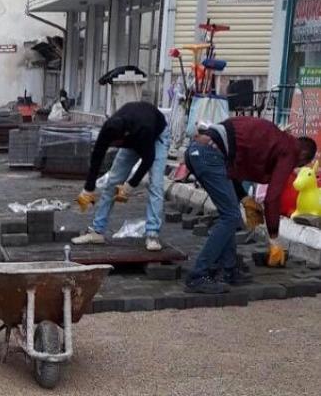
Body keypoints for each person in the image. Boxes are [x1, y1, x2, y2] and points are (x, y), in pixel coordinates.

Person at [183, 117, 316, 294]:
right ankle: (198, 275)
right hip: (209, 154)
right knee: (231, 217)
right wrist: (274, 239)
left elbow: (232, 167)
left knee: (229, 215)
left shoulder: (273, 139)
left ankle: (228, 270)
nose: (294, 168)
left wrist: (245, 198)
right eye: (299, 165)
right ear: (303, 156)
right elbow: (272, 198)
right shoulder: (290, 150)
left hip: (200, 151)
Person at [74, 101, 170, 251]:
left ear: (124, 135)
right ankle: (97, 231)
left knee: (155, 185)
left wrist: (130, 185)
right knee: (112, 182)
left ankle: (152, 234)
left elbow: (148, 159)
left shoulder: (143, 129)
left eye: (118, 143)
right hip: (134, 136)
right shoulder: (109, 128)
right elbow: (97, 156)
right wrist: (89, 187)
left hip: (156, 136)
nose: (116, 146)